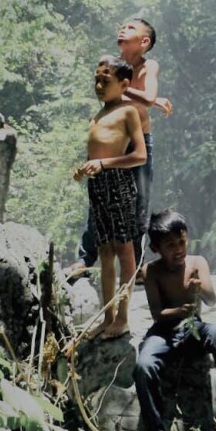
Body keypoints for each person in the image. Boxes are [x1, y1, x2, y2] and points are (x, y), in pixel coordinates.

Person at [130, 210, 216, 431]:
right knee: (143, 366)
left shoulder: (197, 263)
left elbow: (211, 300)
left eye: (182, 242)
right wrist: (180, 308)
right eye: (170, 245)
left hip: (193, 328)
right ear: (156, 248)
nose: (178, 249)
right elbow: (157, 314)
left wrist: (199, 288)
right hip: (164, 332)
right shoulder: (152, 271)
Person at [71, 19, 172, 272]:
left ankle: (136, 264)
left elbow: (147, 98)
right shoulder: (113, 65)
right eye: (122, 27)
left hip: (139, 143)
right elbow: (108, 93)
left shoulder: (149, 66)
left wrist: (146, 97)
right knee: (99, 198)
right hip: (115, 141)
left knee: (140, 199)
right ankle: (86, 258)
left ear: (144, 41)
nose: (122, 30)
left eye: (130, 28)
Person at [73, 55, 147, 340]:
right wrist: (84, 168)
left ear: (124, 83)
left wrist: (104, 164)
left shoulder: (128, 111)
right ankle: (108, 317)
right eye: (96, 79)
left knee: (124, 250)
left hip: (118, 182)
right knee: (104, 251)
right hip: (98, 186)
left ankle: (124, 318)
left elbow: (139, 155)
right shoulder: (99, 115)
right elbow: (95, 153)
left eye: (106, 80)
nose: (99, 85)